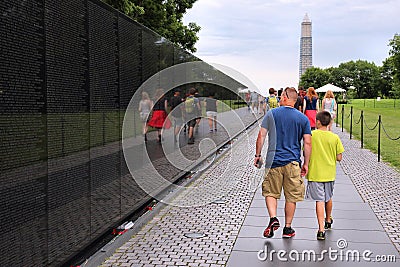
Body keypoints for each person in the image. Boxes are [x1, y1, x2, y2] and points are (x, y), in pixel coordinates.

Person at [254, 87, 312, 239]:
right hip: (293, 162)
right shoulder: (302, 118)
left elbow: (261, 136)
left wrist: (257, 155)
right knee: (291, 196)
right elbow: (307, 143)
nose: (279, 99)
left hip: (273, 161)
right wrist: (306, 163)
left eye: (281, 97)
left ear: (286, 97)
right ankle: (287, 228)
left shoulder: (271, 114)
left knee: (270, 192)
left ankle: (273, 218)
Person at [305, 111, 344, 240]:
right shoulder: (335, 138)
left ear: (318, 122)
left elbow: (305, 150)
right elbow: (339, 157)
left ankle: (321, 229)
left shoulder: (312, 135)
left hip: (315, 173)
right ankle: (328, 219)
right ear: (330, 123)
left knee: (319, 200)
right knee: (328, 197)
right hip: (329, 173)